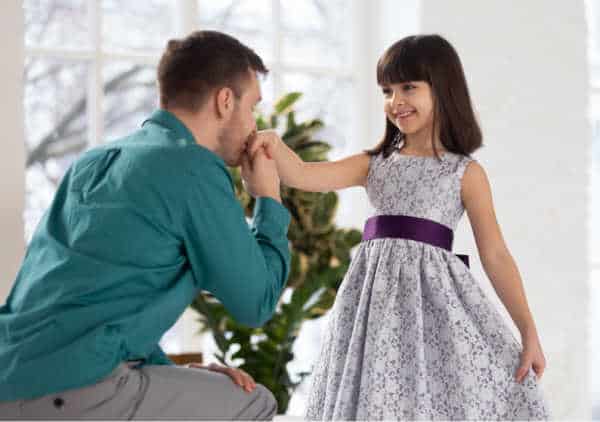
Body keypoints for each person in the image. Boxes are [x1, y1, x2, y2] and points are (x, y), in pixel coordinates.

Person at [247, 34, 552, 420]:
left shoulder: (464, 172)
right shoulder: (374, 163)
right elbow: (303, 174)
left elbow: (495, 254)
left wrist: (528, 332)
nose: (396, 101)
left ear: (443, 90)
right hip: (373, 305)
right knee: (377, 397)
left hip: (435, 307)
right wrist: (272, 144)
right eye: (388, 91)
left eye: (409, 87)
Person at [0, 30, 290, 419]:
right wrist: (268, 198)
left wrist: (167, 375)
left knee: (213, 394)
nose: (253, 124)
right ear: (225, 101)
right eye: (252, 106)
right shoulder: (192, 168)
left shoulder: (95, 161)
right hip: (73, 392)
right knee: (255, 402)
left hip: (10, 381)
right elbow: (256, 302)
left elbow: (85, 300)